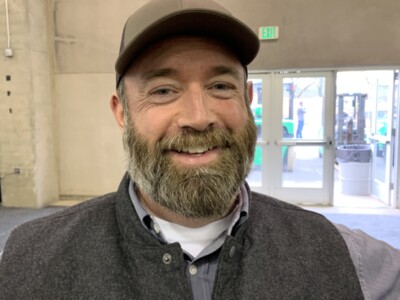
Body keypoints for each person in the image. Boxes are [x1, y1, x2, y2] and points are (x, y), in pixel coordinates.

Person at [0, 0, 399, 299]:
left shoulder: (344, 257)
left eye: (220, 86)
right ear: (121, 112)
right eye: (163, 90)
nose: (198, 115)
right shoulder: (30, 261)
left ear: (246, 99)